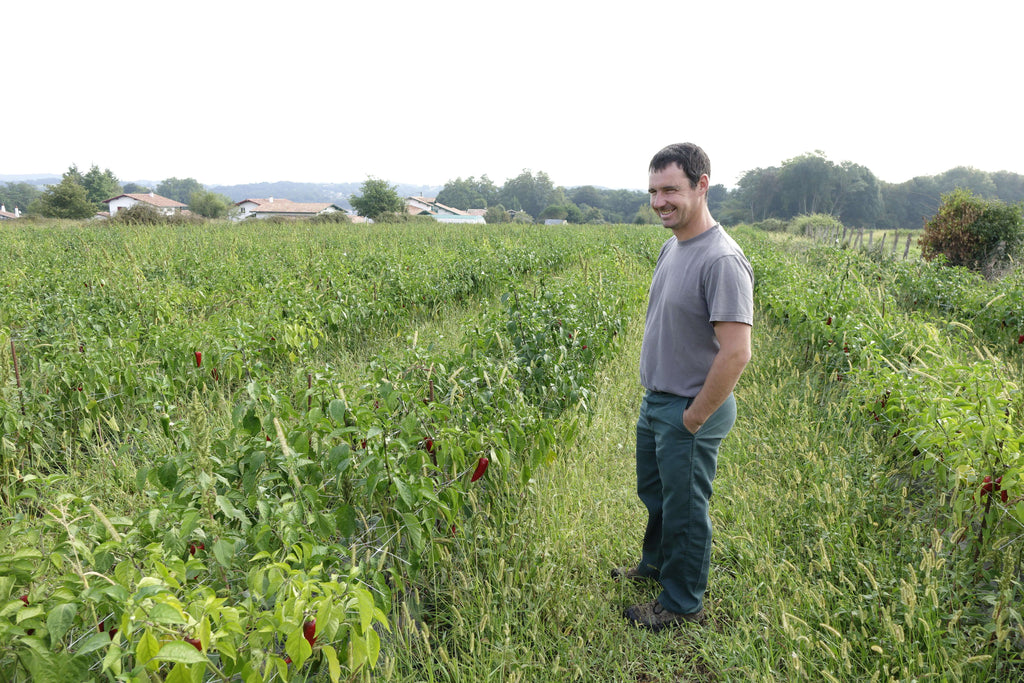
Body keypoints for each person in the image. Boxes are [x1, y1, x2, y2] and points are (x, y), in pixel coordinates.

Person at [616, 142, 753, 631]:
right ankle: (655, 566)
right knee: (656, 495)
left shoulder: (721, 260)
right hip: (658, 400)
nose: (659, 201)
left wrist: (694, 416)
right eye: (653, 191)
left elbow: (736, 352)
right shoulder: (672, 246)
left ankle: (681, 602)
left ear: (701, 185)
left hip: (690, 407)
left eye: (670, 189)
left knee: (686, 510)